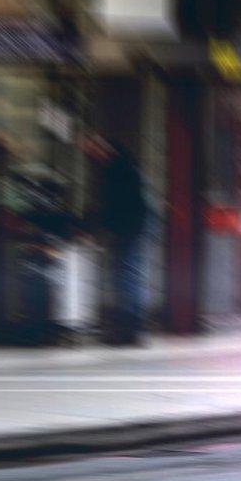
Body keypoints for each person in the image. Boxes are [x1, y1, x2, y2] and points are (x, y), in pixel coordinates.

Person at [88, 136, 150, 345]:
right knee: (127, 279)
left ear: (103, 149)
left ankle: (129, 331)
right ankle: (129, 330)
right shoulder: (124, 166)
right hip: (129, 231)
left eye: (94, 151)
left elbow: (114, 206)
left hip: (127, 231)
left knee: (125, 280)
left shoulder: (117, 170)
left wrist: (105, 230)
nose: (93, 157)